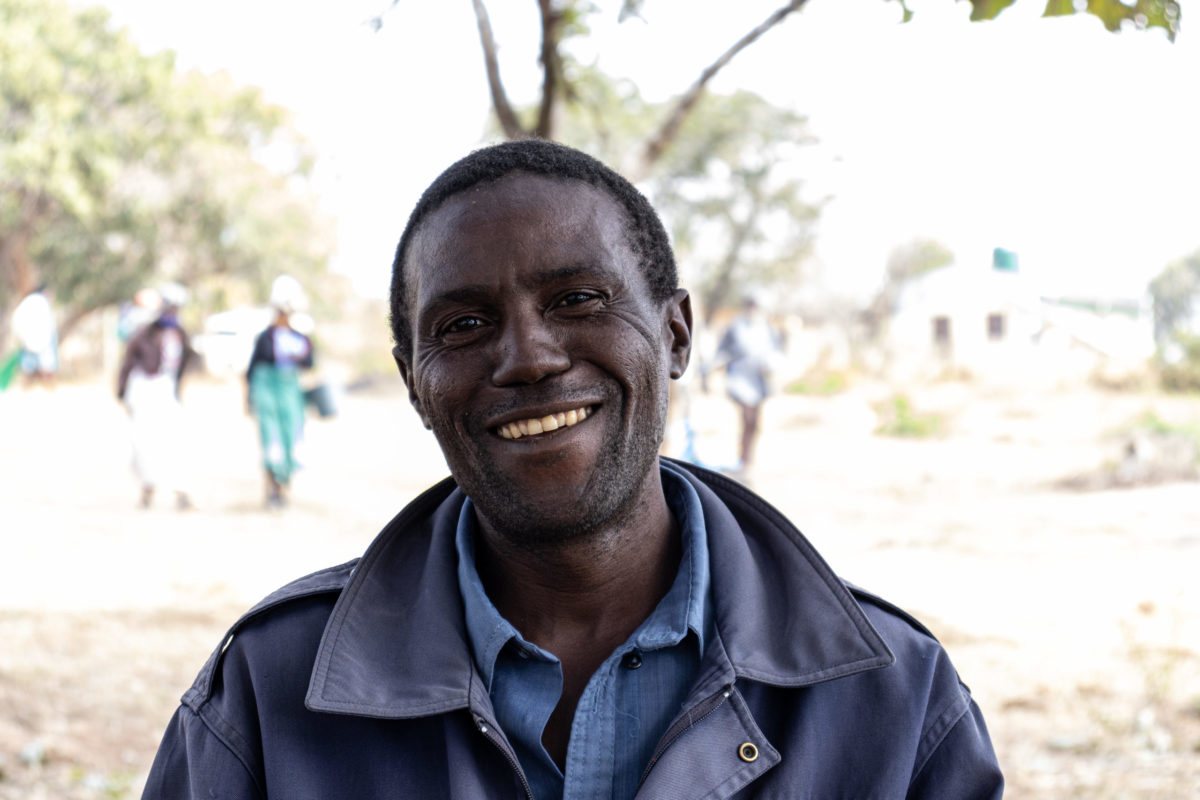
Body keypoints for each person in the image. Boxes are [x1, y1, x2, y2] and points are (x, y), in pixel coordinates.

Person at [144, 140, 1002, 798]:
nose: (528, 357)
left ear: (675, 335)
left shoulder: (891, 697)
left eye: (577, 301)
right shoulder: (271, 692)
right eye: (465, 325)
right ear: (413, 383)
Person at [116, 283, 195, 510]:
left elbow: (180, 367)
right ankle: (147, 490)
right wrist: (122, 391)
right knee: (143, 442)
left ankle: (181, 493)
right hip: (143, 389)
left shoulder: (180, 335)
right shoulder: (144, 333)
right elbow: (128, 362)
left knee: (175, 440)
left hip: (166, 389)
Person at [245, 275, 315, 508]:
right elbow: (254, 367)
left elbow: (310, 363)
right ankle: (273, 489)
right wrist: (249, 398)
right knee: (271, 439)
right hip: (268, 393)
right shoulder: (266, 336)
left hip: (290, 394)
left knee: (291, 438)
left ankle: (283, 488)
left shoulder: (300, 336)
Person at [707, 296, 784, 472]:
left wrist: (772, 365)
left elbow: (775, 352)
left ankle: (748, 457)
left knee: (755, 421)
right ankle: (743, 458)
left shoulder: (768, 329)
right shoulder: (736, 327)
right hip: (739, 379)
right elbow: (722, 351)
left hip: (759, 380)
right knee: (747, 416)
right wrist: (710, 369)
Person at [10, 283, 59, 389]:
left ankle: (25, 392)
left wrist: (21, 338)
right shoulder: (42, 302)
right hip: (42, 340)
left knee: (28, 370)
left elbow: (16, 321)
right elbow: (49, 325)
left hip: (27, 341)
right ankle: (51, 391)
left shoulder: (27, 301)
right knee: (47, 369)